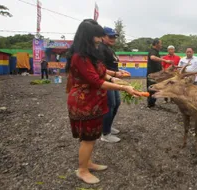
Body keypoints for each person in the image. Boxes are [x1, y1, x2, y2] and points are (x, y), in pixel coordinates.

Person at [66, 19, 139, 184]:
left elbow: (102, 72)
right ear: (88, 37)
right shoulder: (80, 57)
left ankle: (88, 163)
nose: (100, 39)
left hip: (94, 99)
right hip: (83, 101)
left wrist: (115, 77)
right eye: (97, 37)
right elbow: (96, 81)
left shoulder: (91, 54)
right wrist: (123, 88)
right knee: (88, 138)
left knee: (92, 135)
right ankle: (82, 170)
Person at [98, 26, 131, 143]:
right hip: (107, 80)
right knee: (109, 105)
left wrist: (120, 71)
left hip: (114, 79)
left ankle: (108, 126)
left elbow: (112, 65)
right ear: (102, 36)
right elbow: (100, 69)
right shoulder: (100, 49)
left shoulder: (109, 49)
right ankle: (105, 134)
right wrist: (116, 74)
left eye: (114, 36)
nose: (113, 38)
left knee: (116, 103)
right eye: (110, 36)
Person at [146, 38, 173, 108]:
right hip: (152, 76)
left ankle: (152, 104)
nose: (161, 45)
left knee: (155, 88)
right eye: (160, 43)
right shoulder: (153, 51)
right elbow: (152, 57)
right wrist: (165, 60)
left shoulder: (156, 52)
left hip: (156, 75)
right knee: (152, 89)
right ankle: (150, 105)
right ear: (156, 44)